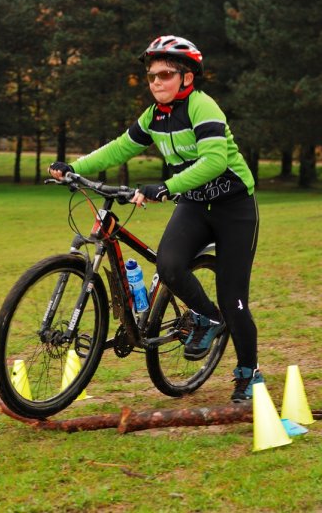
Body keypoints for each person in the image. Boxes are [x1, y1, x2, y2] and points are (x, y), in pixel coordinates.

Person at [49, 35, 264, 402]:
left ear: (187, 77)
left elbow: (215, 161)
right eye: (151, 76)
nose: (156, 82)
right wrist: (74, 167)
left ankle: (248, 373)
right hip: (194, 205)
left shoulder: (203, 107)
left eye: (165, 74)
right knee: (169, 265)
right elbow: (120, 147)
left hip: (234, 209)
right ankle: (205, 317)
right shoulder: (155, 116)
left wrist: (166, 186)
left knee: (234, 298)